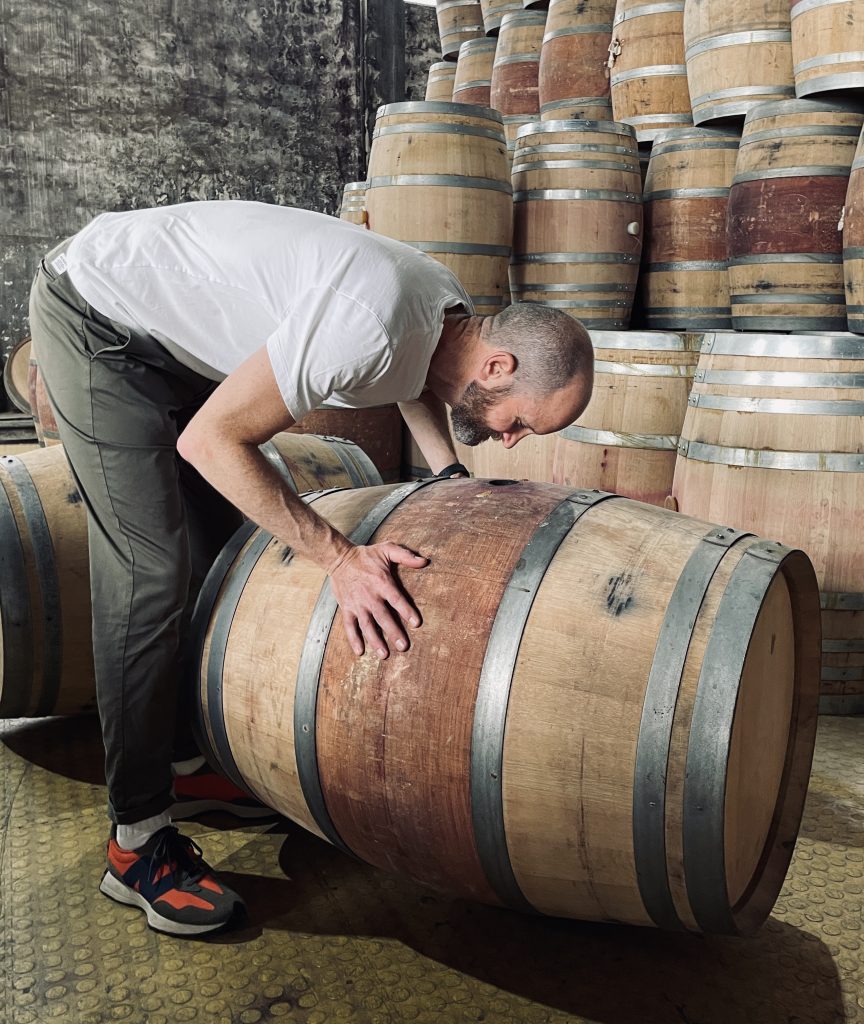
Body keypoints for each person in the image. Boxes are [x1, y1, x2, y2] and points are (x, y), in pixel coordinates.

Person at [27, 199, 594, 937]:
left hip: (170, 336)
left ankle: (184, 761)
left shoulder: (444, 313)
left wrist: (449, 473)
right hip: (97, 317)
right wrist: (339, 556)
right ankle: (136, 840)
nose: (511, 440)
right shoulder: (369, 322)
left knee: (218, 550)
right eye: (518, 420)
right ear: (499, 364)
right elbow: (212, 443)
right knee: (150, 576)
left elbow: (420, 379)